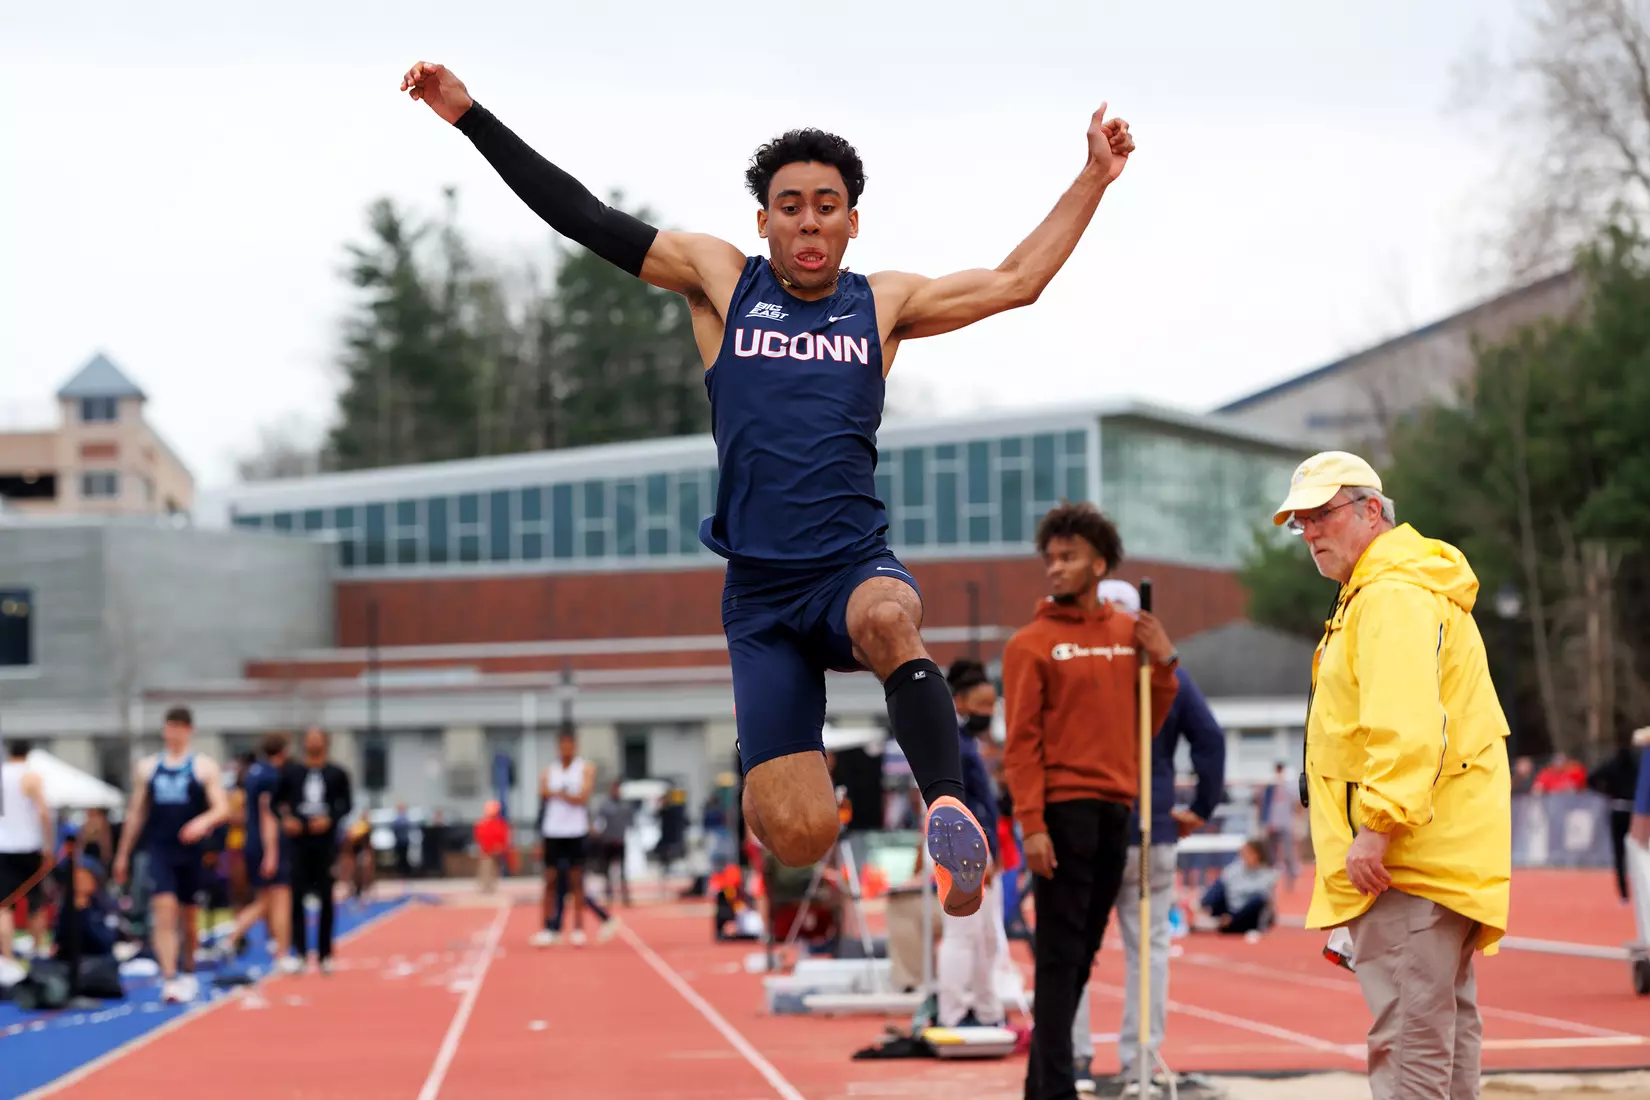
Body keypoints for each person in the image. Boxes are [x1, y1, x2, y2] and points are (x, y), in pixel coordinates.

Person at [400, 60, 1136, 917]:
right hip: (760, 597)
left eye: (827, 205)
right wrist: (469, 116)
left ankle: (948, 809)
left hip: (850, 565)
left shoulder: (883, 303)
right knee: (799, 834)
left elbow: (1017, 283)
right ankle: (772, 761)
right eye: (791, 206)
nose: (809, 221)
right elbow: (586, 218)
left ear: (853, 221)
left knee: (887, 620)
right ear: (765, 219)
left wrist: (1092, 178)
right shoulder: (722, 281)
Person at [1272, 450, 1512, 1100]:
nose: (1310, 532)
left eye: (1321, 514)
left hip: (1410, 859)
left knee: (1409, 1048)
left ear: (1370, 511)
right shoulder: (1401, 587)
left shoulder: (1390, 594)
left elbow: (1405, 721)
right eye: (1301, 521)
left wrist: (1377, 826)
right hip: (1443, 855)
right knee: (1439, 1040)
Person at [1002, 503, 1179, 1100]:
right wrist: (1031, 824)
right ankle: (1053, 1088)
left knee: (1081, 956)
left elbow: (1146, 723)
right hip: (1061, 812)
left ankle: (1041, 1087)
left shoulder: (1129, 635)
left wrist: (1164, 661)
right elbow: (1021, 743)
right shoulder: (1030, 644)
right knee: (1058, 955)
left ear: (1098, 564)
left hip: (1117, 810)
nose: (1055, 568)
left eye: (1068, 557)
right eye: (1050, 558)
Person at [1070, 579, 1226, 1096]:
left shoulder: (1084, 668)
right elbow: (1210, 739)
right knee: (1148, 950)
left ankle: (1077, 1060)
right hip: (1143, 830)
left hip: (1101, 831)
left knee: (1078, 949)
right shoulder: (1168, 675)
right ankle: (1138, 1062)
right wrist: (1199, 808)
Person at [112, 706, 231, 1003]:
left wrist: (202, 822)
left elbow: (222, 807)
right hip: (160, 847)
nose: (173, 733)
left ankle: (188, 971)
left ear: (188, 730)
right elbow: (137, 812)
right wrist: (122, 854)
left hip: (191, 851)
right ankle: (170, 978)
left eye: (179, 727)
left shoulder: (203, 766)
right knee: (163, 912)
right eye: (169, 727)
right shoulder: (148, 767)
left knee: (188, 919)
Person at [935, 658, 1005, 1029]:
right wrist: (981, 854)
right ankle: (953, 1012)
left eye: (992, 705)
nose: (989, 713)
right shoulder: (956, 746)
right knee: (963, 935)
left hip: (980, 845)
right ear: (960, 702)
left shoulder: (967, 744)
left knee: (985, 937)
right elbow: (960, 804)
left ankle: (985, 1009)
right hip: (965, 845)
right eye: (982, 706)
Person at [277, 727, 353, 974]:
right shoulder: (292, 773)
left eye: (318, 739)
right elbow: (277, 802)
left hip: (325, 843)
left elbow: (347, 804)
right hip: (299, 842)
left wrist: (330, 818)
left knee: (326, 897)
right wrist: (287, 819)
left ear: (325, 743)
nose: (313, 743)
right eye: (309, 739)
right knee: (297, 896)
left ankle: (325, 953)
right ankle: (299, 952)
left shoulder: (337, 774)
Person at [531, 730, 616, 947]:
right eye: (562, 746)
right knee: (550, 881)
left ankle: (578, 928)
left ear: (575, 746)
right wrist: (564, 795)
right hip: (553, 832)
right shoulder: (550, 770)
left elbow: (582, 797)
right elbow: (542, 793)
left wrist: (559, 794)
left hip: (575, 832)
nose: (565, 750)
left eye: (569, 745)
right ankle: (548, 928)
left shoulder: (585, 769)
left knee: (576, 881)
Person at [227, 732, 297, 972]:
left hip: (252, 840)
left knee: (266, 899)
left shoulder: (253, 772)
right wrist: (272, 852)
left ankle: (234, 937)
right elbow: (268, 814)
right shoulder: (271, 776)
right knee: (279, 898)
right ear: (284, 751)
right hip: (268, 841)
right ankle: (281, 953)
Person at [0, 739, 51, 964]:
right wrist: (49, 845)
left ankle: (7, 957)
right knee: (36, 903)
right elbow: (43, 813)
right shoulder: (30, 776)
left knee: (4, 906)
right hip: (29, 846)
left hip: (4, 846)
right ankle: (38, 951)